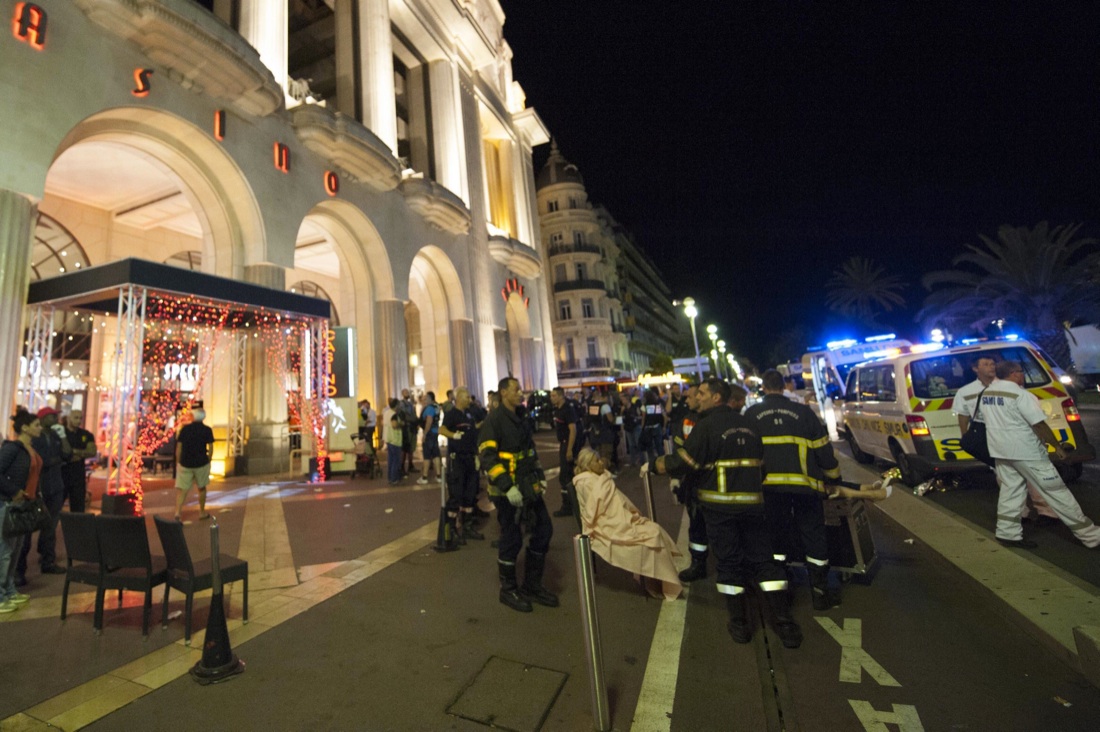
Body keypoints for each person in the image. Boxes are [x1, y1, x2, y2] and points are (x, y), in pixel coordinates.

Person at [649, 378, 802, 648]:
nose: (699, 397)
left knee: (729, 564)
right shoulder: (749, 424)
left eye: (704, 393)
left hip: (720, 509)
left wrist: (655, 465)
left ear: (717, 398)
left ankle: (740, 623)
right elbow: (762, 466)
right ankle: (784, 622)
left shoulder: (706, 426)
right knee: (765, 561)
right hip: (754, 506)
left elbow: (684, 462)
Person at [745, 369, 842, 611]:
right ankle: (819, 591)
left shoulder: (752, 414)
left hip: (769, 488)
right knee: (813, 535)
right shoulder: (803, 412)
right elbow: (824, 451)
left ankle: (782, 589)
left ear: (764, 388)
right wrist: (834, 479)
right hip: (805, 487)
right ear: (784, 386)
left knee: (776, 534)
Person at [981, 360, 1100, 549]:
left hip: (1001, 452)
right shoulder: (1020, 394)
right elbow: (1038, 424)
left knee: (1010, 491)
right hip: (1027, 452)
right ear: (1013, 373)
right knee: (1057, 491)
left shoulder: (987, 393)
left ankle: (1007, 533)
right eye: (1020, 372)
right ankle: (1091, 536)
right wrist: (1058, 447)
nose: (1022, 375)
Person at [479, 376, 557, 613]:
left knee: (543, 529)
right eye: (516, 389)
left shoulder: (521, 418)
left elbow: (529, 451)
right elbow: (488, 458)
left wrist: (540, 476)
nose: (521, 393)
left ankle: (532, 585)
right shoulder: (493, 421)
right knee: (511, 539)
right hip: (507, 492)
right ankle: (508, 589)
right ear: (503, 393)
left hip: (527, 486)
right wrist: (506, 486)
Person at [954, 354, 1058, 521]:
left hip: (1020, 437)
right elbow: (963, 414)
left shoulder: (1008, 387)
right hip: (995, 441)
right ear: (975, 368)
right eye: (986, 363)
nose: (992, 366)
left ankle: (1046, 513)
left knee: (1034, 478)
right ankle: (1020, 514)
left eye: (993, 363)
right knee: (1007, 480)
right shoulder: (966, 392)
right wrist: (965, 435)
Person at [574, 447, 682, 600]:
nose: (601, 463)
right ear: (587, 465)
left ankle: (657, 578)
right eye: (597, 461)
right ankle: (653, 580)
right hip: (608, 524)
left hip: (619, 518)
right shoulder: (586, 482)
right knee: (652, 535)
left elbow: (616, 502)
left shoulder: (601, 477)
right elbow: (595, 510)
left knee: (654, 530)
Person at [17, 406, 70, 583]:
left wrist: (63, 437)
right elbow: (44, 462)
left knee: (51, 526)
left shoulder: (55, 436)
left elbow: (67, 454)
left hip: (56, 487)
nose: (55, 419)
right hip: (38, 489)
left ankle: (47, 561)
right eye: (52, 416)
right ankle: (19, 571)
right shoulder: (32, 441)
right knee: (26, 531)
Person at [0, 408, 41, 612]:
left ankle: (9, 590)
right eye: (36, 425)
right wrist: (14, 491)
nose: (40, 428)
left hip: (23, 505)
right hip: (8, 503)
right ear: (25, 428)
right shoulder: (13, 448)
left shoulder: (29, 448)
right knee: (5, 550)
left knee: (15, 550)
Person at [668, 384, 709, 583]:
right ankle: (698, 563)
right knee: (696, 525)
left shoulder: (711, 419)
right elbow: (678, 449)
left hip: (712, 480)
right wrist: (676, 477)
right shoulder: (686, 419)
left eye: (693, 396)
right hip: (692, 481)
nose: (688, 400)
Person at [439, 387, 484, 546]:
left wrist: (477, 455)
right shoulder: (452, 414)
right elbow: (442, 429)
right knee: (456, 493)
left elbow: (473, 434)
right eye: (466, 396)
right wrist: (453, 435)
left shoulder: (469, 415)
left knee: (470, 493)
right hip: (457, 459)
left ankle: (468, 526)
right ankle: (451, 529)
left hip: (470, 458)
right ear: (458, 398)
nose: (469, 399)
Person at [174, 406, 215, 521]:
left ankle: (178, 512)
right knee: (202, 487)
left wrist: (178, 461)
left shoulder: (185, 429)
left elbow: (179, 447)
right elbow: (211, 447)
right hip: (201, 462)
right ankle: (201, 512)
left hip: (185, 462)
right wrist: (209, 459)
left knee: (182, 489)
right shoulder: (207, 430)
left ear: (193, 417)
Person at [549, 387, 580, 517]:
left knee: (565, 477)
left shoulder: (567, 409)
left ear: (561, 396)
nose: (552, 398)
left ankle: (568, 506)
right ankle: (573, 504)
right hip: (563, 444)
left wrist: (569, 450)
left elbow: (573, 430)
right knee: (567, 476)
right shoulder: (558, 410)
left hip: (567, 445)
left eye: (554, 395)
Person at [61, 410, 97, 513]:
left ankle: (76, 528)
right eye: (76, 418)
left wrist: (74, 451)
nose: (78, 421)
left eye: (80, 418)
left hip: (78, 476)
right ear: (69, 418)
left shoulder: (86, 435)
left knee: (78, 508)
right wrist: (80, 453)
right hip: (62, 474)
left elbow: (92, 451)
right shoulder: (61, 433)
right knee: (56, 506)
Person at [417, 392, 442, 485]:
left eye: (425, 398)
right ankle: (439, 475)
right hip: (435, 432)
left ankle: (424, 476)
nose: (424, 400)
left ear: (430, 399)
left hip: (430, 433)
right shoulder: (436, 407)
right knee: (435, 454)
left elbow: (429, 421)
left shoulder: (429, 409)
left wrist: (425, 434)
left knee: (427, 455)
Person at [384, 401, 403, 485]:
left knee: (391, 460)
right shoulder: (394, 415)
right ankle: (394, 478)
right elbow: (394, 425)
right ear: (396, 406)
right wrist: (401, 424)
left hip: (388, 438)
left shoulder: (386, 413)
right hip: (395, 439)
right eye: (399, 405)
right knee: (396, 460)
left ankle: (390, 478)